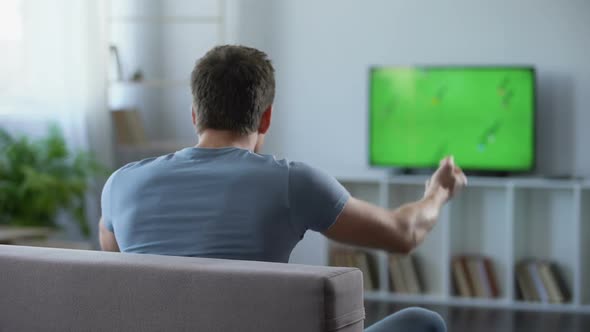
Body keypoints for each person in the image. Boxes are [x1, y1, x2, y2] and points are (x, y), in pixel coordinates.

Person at [99, 45, 467, 332]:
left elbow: (120, 281)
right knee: (423, 321)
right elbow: (403, 234)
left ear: (194, 114)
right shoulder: (292, 182)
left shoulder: (120, 185)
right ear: (266, 117)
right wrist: (439, 192)